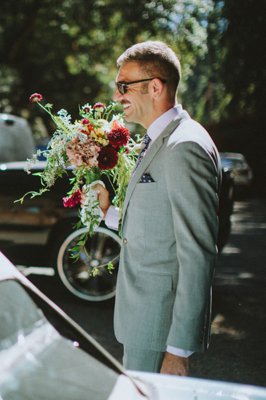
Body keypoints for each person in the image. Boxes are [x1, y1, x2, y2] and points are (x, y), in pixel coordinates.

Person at [94, 41, 221, 376]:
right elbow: (158, 223)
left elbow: (198, 252)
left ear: (155, 87)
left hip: (160, 330)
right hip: (143, 322)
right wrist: (108, 212)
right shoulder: (159, 139)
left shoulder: (185, 146)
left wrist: (178, 350)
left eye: (124, 86)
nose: (117, 96)